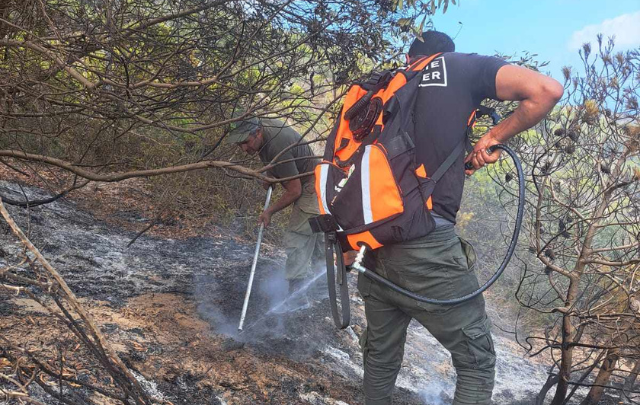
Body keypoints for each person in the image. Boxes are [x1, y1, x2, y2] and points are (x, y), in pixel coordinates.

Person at [352, 31, 563, 404]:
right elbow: (546, 91)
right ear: (444, 55)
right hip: (426, 245)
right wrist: (493, 136)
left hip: (374, 245)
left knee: (380, 357)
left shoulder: (389, 86)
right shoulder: (459, 66)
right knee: (477, 362)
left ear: (410, 57)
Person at [227, 116, 325, 306]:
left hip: (313, 184)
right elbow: (278, 160)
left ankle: (298, 297)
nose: (244, 149)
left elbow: (295, 190)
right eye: (240, 144)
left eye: (246, 143)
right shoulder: (263, 130)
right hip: (317, 178)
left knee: (299, 236)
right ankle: (323, 290)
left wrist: (269, 212)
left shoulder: (277, 143)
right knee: (316, 235)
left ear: (258, 132)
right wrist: (271, 174)